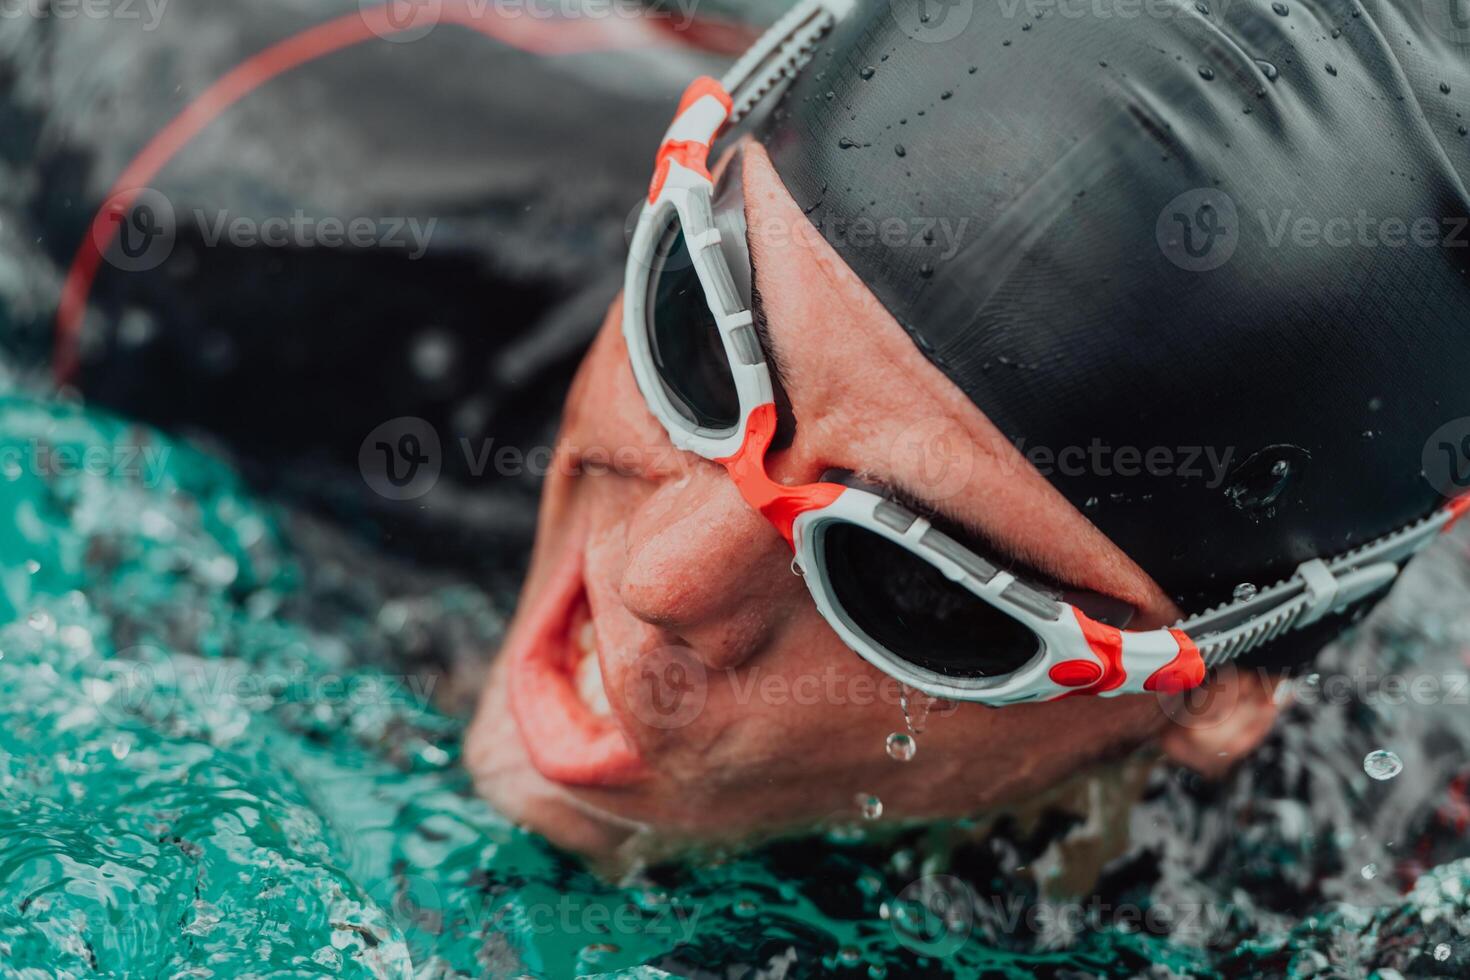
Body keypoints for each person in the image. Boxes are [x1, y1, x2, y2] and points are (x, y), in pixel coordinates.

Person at [465, 0, 1470, 857]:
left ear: (1222, 691)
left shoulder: (1375, 894)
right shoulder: (359, 209)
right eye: (692, 338)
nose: (661, 578)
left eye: (916, 585)